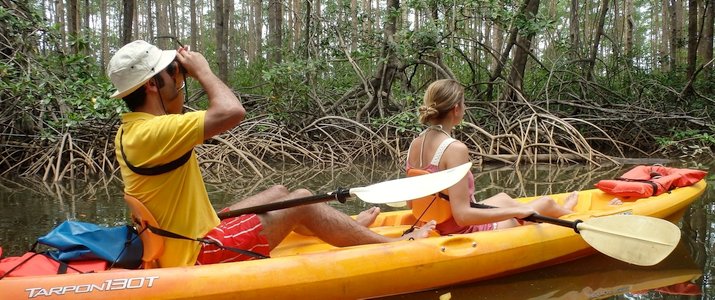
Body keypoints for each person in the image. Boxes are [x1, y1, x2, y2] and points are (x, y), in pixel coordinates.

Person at [107, 40, 436, 268]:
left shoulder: (136, 128)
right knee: (304, 198)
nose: (179, 78)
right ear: (152, 85)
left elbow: (206, 111)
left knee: (281, 193)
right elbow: (232, 110)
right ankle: (397, 247)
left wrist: (177, 73)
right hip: (199, 252)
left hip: (187, 233)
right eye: (171, 72)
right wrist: (202, 70)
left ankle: (339, 228)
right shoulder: (152, 132)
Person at [406, 79, 577, 235]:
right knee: (545, 203)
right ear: (456, 109)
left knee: (503, 198)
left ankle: (561, 211)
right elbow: (463, 217)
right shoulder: (454, 149)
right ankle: (568, 214)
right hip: (463, 230)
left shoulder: (415, 144)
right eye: (464, 104)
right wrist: (516, 213)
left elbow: (411, 205)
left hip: (433, 224)